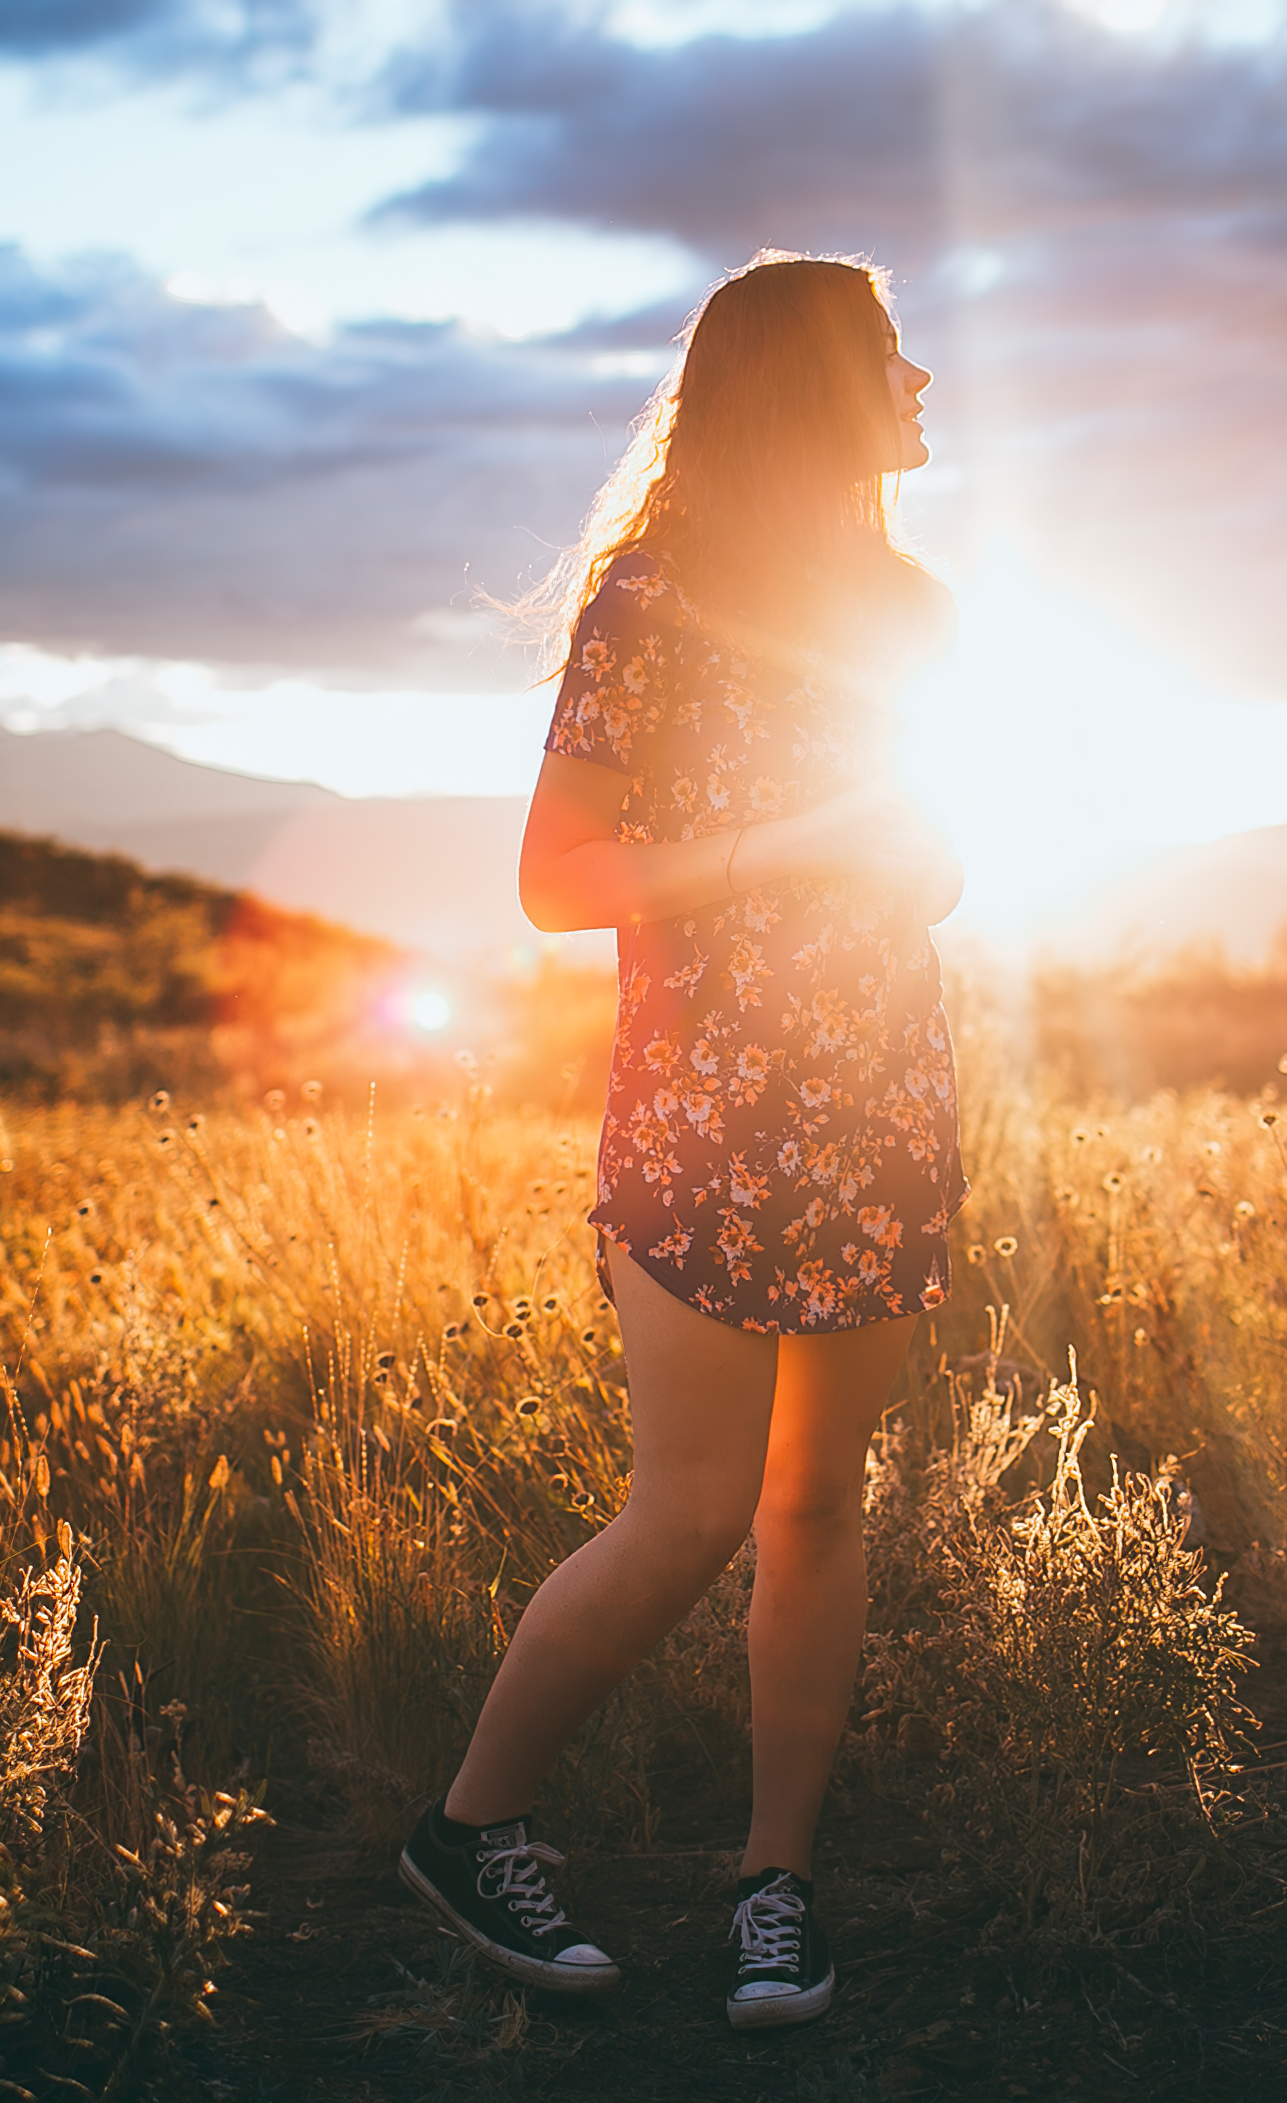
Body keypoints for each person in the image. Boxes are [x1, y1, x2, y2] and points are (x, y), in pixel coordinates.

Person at [398, 253, 965, 2031]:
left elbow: (937, 846)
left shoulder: (917, 610)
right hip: (704, 1118)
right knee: (693, 1506)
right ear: (814, 386)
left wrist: (915, 859)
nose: (922, 378)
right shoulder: (654, 601)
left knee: (817, 1504)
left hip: (878, 1094)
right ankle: (466, 1827)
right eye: (889, 353)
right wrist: (779, 854)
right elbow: (551, 881)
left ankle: (772, 1886)